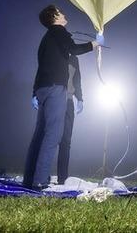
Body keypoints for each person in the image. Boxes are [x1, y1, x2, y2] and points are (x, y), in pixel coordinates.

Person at [22, 5, 102, 189]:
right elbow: (74, 49)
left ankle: (29, 179)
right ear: (55, 17)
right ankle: (40, 180)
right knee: (53, 135)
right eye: (61, 12)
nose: (64, 14)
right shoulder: (59, 31)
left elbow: (41, 68)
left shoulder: (46, 39)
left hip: (43, 89)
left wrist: (35, 92)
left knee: (39, 134)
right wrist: (94, 44)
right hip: (56, 89)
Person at [57, 54, 84, 184]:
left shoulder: (74, 59)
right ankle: (40, 175)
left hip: (68, 102)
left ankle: (62, 178)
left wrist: (80, 98)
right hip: (54, 100)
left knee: (66, 141)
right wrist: (36, 92)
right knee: (49, 139)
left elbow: (77, 79)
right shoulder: (55, 53)